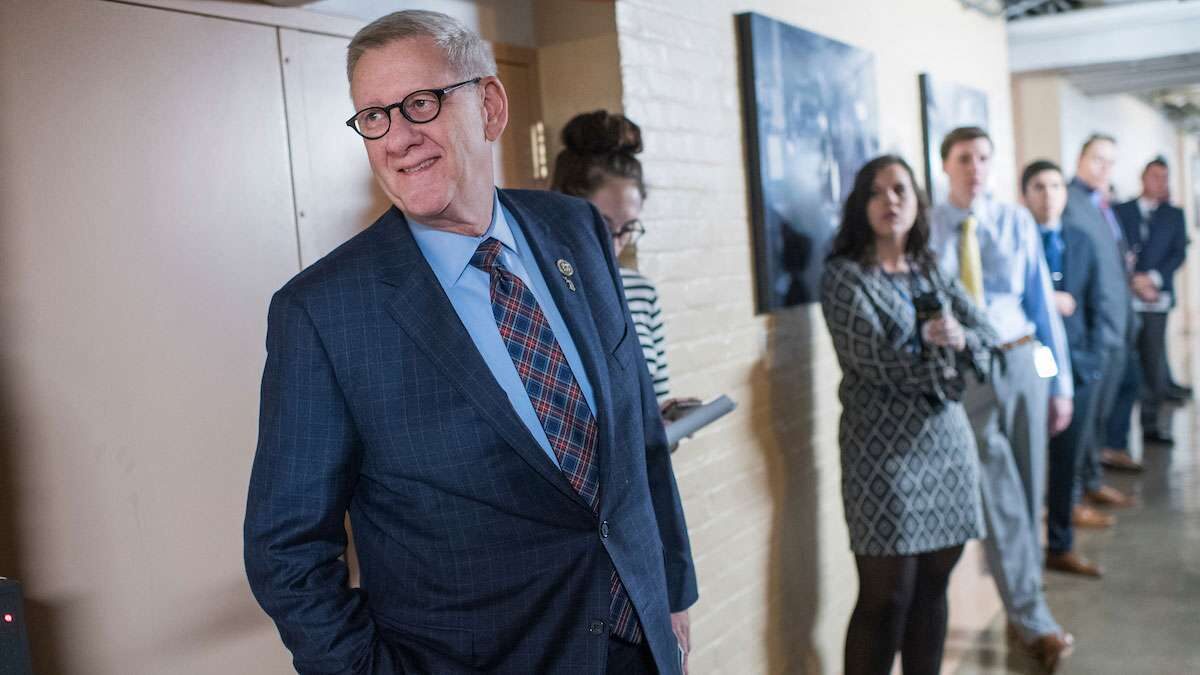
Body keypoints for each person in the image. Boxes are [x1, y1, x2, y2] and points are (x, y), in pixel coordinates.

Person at [243, 11, 698, 674]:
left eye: (419, 104)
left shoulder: (576, 230)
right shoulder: (322, 312)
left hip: (639, 643)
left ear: (488, 105)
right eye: (374, 117)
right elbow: (286, 551)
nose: (397, 138)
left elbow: (636, 431)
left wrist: (672, 591)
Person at [822, 155, 996, 675]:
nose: (890, 201)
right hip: (881, 452)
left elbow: (987, 338)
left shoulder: (932, 267)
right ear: (861, 206)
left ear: (917, 201)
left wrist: (961, 339)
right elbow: (869, 360)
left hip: (946, 442)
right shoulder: (843, 277)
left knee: (934, 584)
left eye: (899, 190)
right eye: (876, 193)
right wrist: (928, 345)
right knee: (887, 595)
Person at [929, 127, 1075, 671]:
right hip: (969, 373)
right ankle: (1032, 617)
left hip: (1022, 360)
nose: (975, 167)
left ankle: (1023, 602)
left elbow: (1040, 308)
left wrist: (1058, 384)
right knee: (999, 492)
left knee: (1029, 487)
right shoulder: (931, 230)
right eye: (964, 158)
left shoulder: (1015, 221)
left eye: (984, 157)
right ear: (946, 165)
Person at [550, 111, 678, 410]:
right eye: (603, 227)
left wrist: (666, 422)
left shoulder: (642, 292)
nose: (615, 243)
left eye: (628, 228)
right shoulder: (538, 293)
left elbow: (657, 401)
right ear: (564, 211)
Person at [1023, 160, 1108, 578]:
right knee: (1031, 460)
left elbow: (1096, 306)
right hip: (1033, 366)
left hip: (1078, 368)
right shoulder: (1018, 242)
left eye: (1056, 185)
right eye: (1038, 186)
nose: (1049, 194)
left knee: (1067, 459)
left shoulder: (1081, 242)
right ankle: (1023, 554)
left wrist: (1092, 360)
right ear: (1026, 195)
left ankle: (1060, 543)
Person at [1062, 133, 1139, 511]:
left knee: (1100, 417)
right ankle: (1073, 496)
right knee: (1083, 420)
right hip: (1095, 331)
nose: (1103, 168)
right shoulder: (1070, 203)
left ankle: (1092, 481)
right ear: (1079, 158)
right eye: (1097, 159)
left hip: (1118, 326)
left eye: (1110, 162)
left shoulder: (1103, 205)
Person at [1110, 157, 1189, 450]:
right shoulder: (1122, 211)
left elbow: (1178, 253)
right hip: (1127, 297)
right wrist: (1133, 280)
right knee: (1124, 364)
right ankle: (1116, 434)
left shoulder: (1174, 215)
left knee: (1153, 360)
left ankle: (1152, 424)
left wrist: (1152, 279)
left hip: (1156, 298)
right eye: (1155, 176)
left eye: (1165, 177)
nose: (1161, 183)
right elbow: (1114, 249)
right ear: (1144, 178)